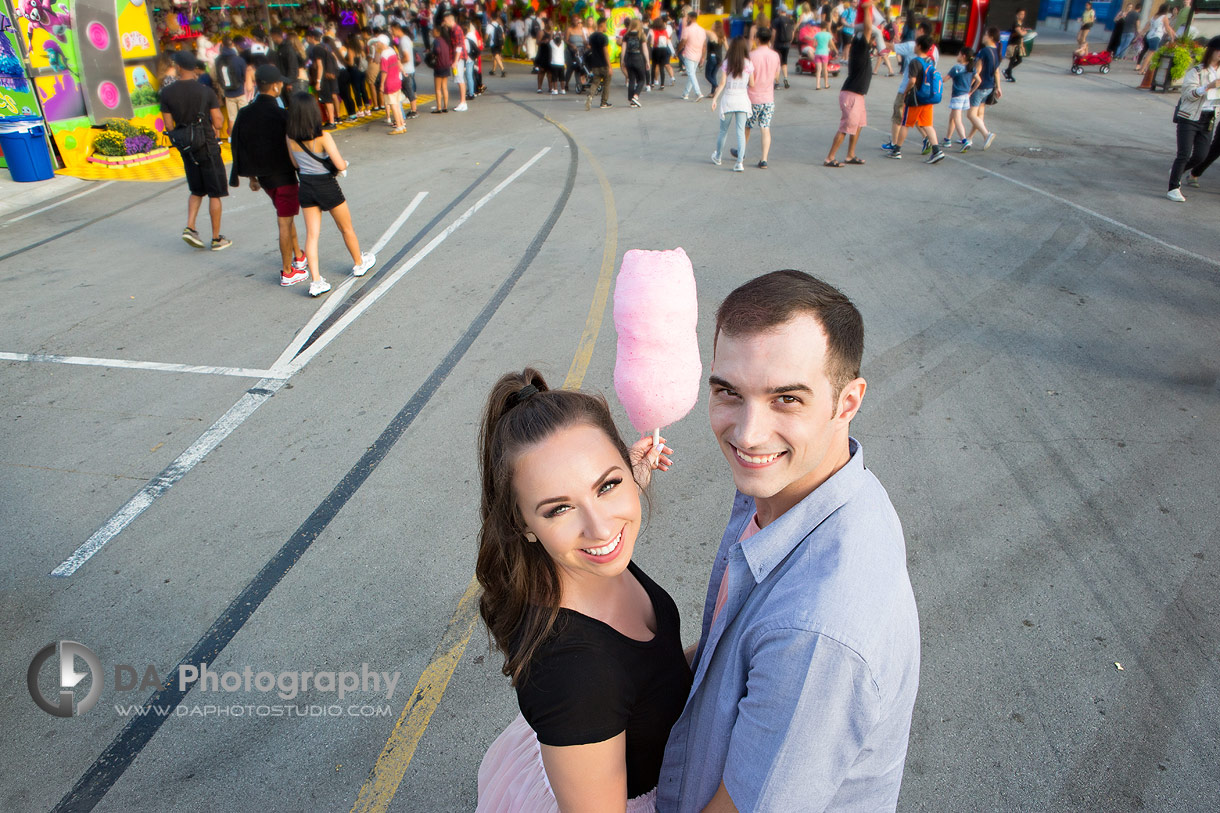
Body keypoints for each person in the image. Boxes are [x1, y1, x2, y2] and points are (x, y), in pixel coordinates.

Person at [657, 270, 920, 813]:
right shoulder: (807, 490)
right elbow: (728, 658)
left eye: (786, 399)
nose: (748, 434)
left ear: (847, 402)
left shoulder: (816, 631)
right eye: (729, 392)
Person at [474, 369, 687, 813]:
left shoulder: (586, 555)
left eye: (607, 485)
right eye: (559, 509)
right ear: (522, 525)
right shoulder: (573, 675)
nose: (601, 527)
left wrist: (630, 474)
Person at [285, 91, 376, 298]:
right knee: (346, 228)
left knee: (312, 235)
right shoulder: (323, 137)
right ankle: (358, 263)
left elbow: (294, 164)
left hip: (306, 186)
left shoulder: (290, 138)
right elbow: (339, 164)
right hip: (326, 185)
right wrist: (343, 166)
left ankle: (316, 281)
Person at [229, 64, 308, 285]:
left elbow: (239, 146)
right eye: (280, 83)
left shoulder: (244, 114)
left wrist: (251, 177)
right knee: (284, 221)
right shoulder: (282, 114)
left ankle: (299, 256)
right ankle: (287, 272)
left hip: (265, 179)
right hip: (284, 177)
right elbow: (296, 146)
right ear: (275, 86)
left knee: (287, 216)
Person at [160, 51, 231, 252]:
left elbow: (168, 124)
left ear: (179, 67)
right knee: (214, 193)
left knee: (196, 189)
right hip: (207, 144)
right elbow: (217, 121)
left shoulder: (167, 93)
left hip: (186, 146)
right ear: (194, 69)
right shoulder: (205, 92)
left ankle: (190, 227)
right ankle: (216, 238)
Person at [1166, 36, 1220, 201]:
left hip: (1209, 117)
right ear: (1211, 51)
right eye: (1219, 51)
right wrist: (1207, 87)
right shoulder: (1197, 71)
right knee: (1184, 153)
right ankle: (1173, 188)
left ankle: (1178, 170)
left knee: (1201, 156)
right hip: (1189, 117)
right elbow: (1189, 94)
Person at [824, 4, 872, 167]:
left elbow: (865, 30)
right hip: (851, 94)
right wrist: (867, 9)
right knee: (846, 127)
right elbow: (867, 27)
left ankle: (850, 155)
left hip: (858, 94)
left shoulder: (858, 47)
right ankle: (830, 158)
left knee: (858, 125)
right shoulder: (861, 48)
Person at [887, 34, 944, 163]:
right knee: (928, 125)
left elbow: (912, 81)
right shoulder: (930, 61)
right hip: (928, 98)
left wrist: (906, 92)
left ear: (918, 46)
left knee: (905, 124)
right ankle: (936, 150)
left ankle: (897, 150)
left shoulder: (915, 62)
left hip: (916, 98)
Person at [882, 19, 933, 153]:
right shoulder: (934, 50)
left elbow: (893, 48)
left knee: (899, 116)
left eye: (917, 29)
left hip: (908, 88)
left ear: (921, 31)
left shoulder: (913, 46)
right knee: (914, 117)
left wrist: (877, 39)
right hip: (923, 90)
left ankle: (895, 145)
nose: (915, 31)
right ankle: (927, 138)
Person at [710, 37, 754, 172]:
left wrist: (714, 98)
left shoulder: (727, 63)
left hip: (728, 99)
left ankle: (718, 156)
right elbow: (752, 84)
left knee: (723, 131)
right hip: (742, 99)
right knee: (740, 132)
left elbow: (722, 83)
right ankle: (739, 162)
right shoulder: (748, 63)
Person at [738, 26, 779, 169]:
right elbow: (777, 76)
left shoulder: (752, 55)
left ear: (757, 39)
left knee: (747, 127)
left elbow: (750, 79)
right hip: (768, 97)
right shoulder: (775, 56)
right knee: (765, 128)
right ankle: (764, 159)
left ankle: (741, 152)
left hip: (753, 97)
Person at [964, 27, 1001, 152]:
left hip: (980, 87)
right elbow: (996, 71)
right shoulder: (997, 51)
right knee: (979, 115)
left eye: (985, 34)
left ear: (990, 36)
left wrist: (970, 87)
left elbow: (977, 71)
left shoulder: (984, 51)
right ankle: (969, 138)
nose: (983, 36)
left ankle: (987, 134)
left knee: (971, 114)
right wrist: (999, 87)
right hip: (990, 86)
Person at [214, 35, 252, 138]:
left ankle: (233, 138)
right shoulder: (238, 59)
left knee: (232, 118)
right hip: (240, 91)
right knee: (245, 115)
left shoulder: (218, 60)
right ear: (232, 45)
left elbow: (217, 76)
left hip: (227, 93)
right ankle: (247, 136)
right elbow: (244, 74)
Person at [943, 48, 974, 151]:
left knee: (957, 119)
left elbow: (945, 79)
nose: (957, 56)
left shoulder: (957, 68)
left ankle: (964, 140)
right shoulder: (971, 68)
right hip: (965, 95)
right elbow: (979, 80)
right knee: (952, 117)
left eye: (959, 54)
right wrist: (971, 91)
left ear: (963, 56)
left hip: (957, 96)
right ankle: (948, 139)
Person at [379, 39, 407, 134]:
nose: (377, 45)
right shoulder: (392, 51)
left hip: (389, 83)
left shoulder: (384, 55)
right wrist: (403, 71)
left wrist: (382, 84)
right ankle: (402, 124)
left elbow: (384, 71)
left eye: (378, 43)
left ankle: (398, 126)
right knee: (397, 104)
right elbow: (399, 63)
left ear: (382, 43)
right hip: (397, 81)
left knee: (393, 105)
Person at [621, 17, 651, 107]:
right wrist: (647, 61)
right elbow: (645, 49)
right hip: (638, 57)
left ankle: (631, 99)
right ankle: (635, 96)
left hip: (628, 58)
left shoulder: (626, 35)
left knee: (631, 79)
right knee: (642, 79)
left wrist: (622, 60)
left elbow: (623, 49)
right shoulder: (641, 34)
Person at [679, 11, 707, 101]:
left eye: (688, 17)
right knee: (692, 74)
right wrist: (703, 57)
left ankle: (698, 93)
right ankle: (685, 93)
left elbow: (683, 42)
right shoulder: (702, 30)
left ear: (691, 18)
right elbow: (704, 45)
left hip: (689, 54)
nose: (687, 19)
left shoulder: (687, 29)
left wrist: (677, 50)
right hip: (698, 55)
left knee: (691, 74)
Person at [586, 17, 613, 110]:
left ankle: (590, 96)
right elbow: (605, 52)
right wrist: (609, 66)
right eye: (606, 25)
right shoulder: (603, 37)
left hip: (595, 64)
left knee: (595, 82)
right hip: (604, 64)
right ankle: (603, 102)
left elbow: (590, 47)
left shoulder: (592, 36)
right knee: (606, 83)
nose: (606, 27)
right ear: (602, 25)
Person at [1138, 6, 1175, 74]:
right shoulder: (1164, 17)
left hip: (1149, 36)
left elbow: (1146, 27)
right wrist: (1171, 37)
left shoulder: (1154, 16)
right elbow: (1167, 28)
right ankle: (1142, 70)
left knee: (1150, 54)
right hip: (1156, 36)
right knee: (1150, 54)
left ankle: (1146, 70)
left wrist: (1139, 35)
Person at [431, 26, 453, 113]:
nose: (432, 33)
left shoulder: (437, 41)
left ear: (437, 31)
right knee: (444, 87)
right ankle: (445, 106)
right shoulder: (446, 40)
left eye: (433, 31)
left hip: (439, 65)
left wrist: (433, 54)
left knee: (437, 88)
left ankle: (439, 107)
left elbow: (437, 50)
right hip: (446, 65)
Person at [771, 7, 794, 88]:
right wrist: (789, 42)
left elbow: (774, 33)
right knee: (784, 62)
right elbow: (792, 33)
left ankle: (777, 82)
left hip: (778, 43)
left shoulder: (776, 20)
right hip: (787, 44)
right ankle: (785, 78)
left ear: (780, 11)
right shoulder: (790, 20)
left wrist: (772, 42)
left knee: (777, 63)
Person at [1004, 8, 1028, 82]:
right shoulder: (1016, 23)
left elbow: (1022, 32)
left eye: (1023, 14)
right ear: (1017, 15)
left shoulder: (1021, 23)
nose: (1022, 16)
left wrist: (1023, 32)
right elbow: (1021, 33)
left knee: (1019, 60)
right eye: (1021, 14)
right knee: (1012, 60)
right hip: (1013, 44)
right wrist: (1024, 32)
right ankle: (1009, 74)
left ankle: (1007, 71)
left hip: (1019, 44)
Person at [812, 19, 835, 89]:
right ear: (826, 27)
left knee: (818, 69)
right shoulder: (828, 35)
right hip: (825, 53)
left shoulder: (817, 35)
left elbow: (814, 45)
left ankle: (817, 85)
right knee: (825, 69)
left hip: (818, 52)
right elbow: (831, 44)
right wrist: (834, 49)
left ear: (820, 27)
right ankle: (826, 84)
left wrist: (818, 46)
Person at [650, 19, 672, 89]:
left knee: (654, 66)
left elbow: (652, 42)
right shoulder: (665, 31)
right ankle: (662, 84)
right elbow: (668, 41)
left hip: (656, 49)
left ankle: (652, 83)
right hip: (664, 50)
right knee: (662, 67)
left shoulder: (653, 31)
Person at [705, 19, 725, 93]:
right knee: (713, 75)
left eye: (713, 24)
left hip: (712, 57)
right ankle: (713, 92)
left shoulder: (711, 34)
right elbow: (727, 47)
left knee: (708, 75)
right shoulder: (722, 36)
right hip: (719, 59)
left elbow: (702, 30)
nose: (711, 26)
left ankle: (716, 86)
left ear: (715, 27)